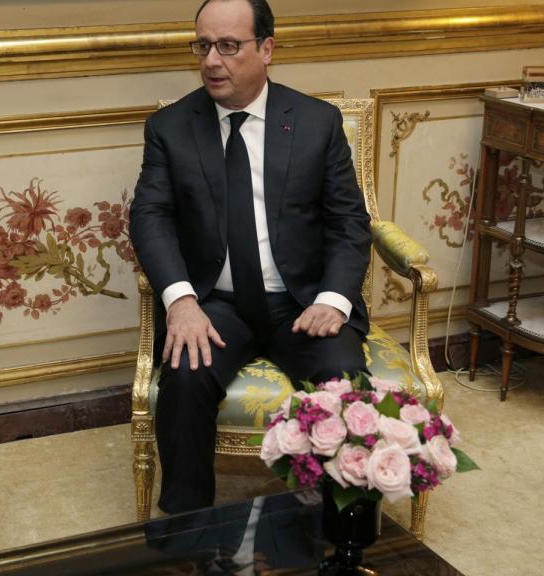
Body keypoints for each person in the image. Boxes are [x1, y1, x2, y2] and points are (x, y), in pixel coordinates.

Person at [128, 0, 371, 514]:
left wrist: (333, 299)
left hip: (301, 301)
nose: (212, 60)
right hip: (216, 304)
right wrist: (180, 300)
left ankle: (338, 532)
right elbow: (150, 218)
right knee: (185, 376)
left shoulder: (315, 122)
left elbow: (349, 222)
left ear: (266, 49)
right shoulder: (170, 128)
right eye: (203, 45)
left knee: (344, 379)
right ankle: (188, 535)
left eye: (228, 46)